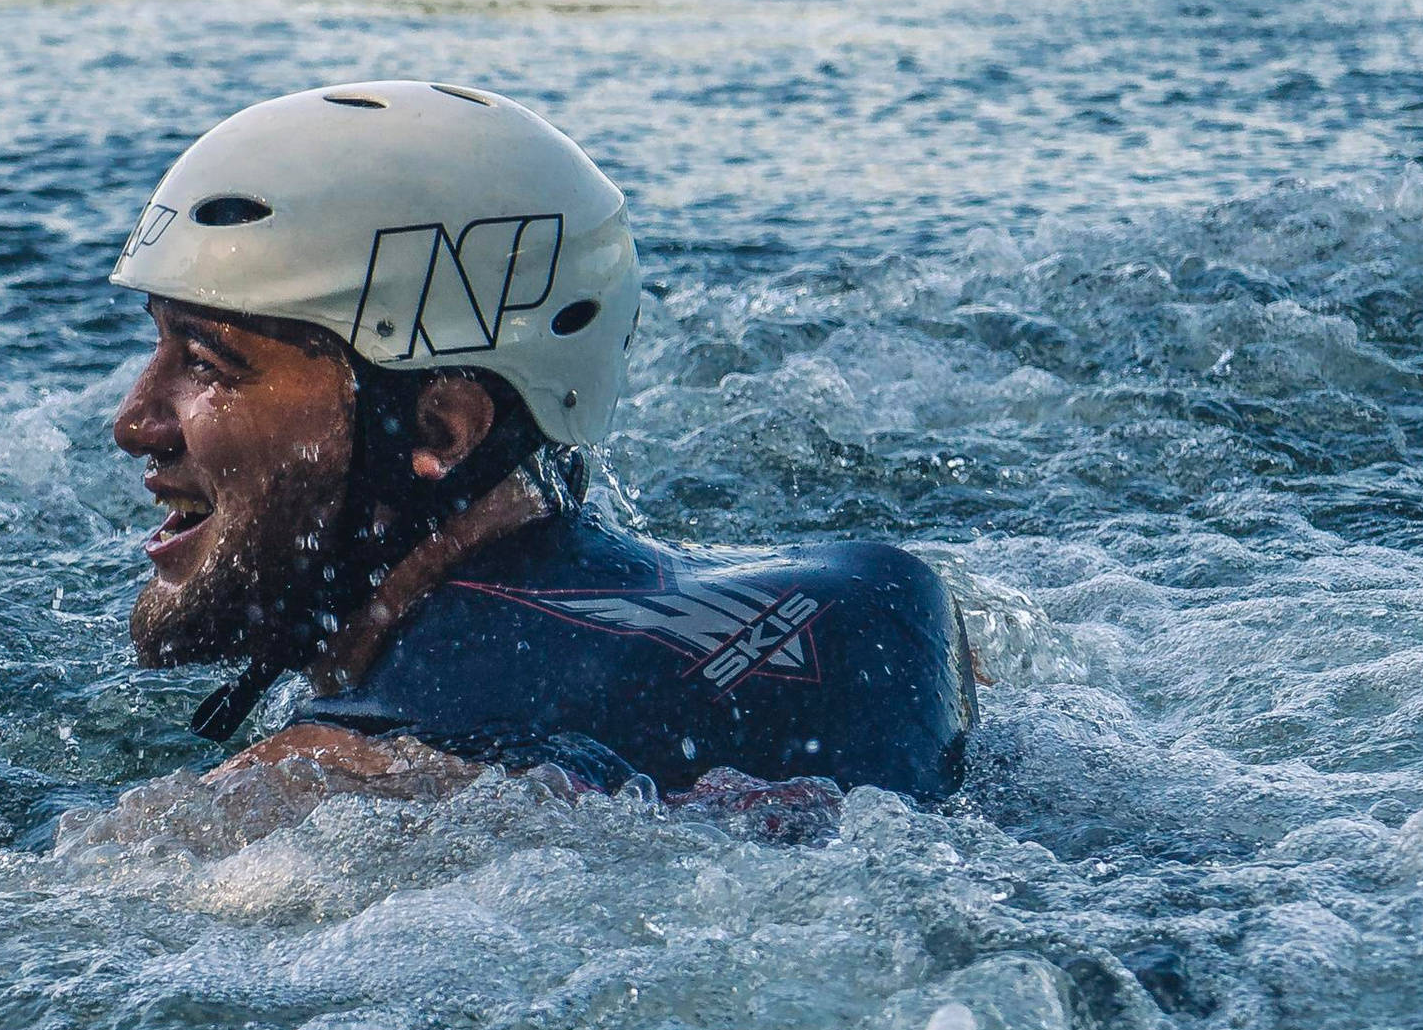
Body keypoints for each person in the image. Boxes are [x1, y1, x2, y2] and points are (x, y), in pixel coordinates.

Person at [108, 81, 975, 802]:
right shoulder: (878, 594)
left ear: (440, 428)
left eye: (209, 363)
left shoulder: (343, 785)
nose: (135, 421)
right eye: (159, 345)